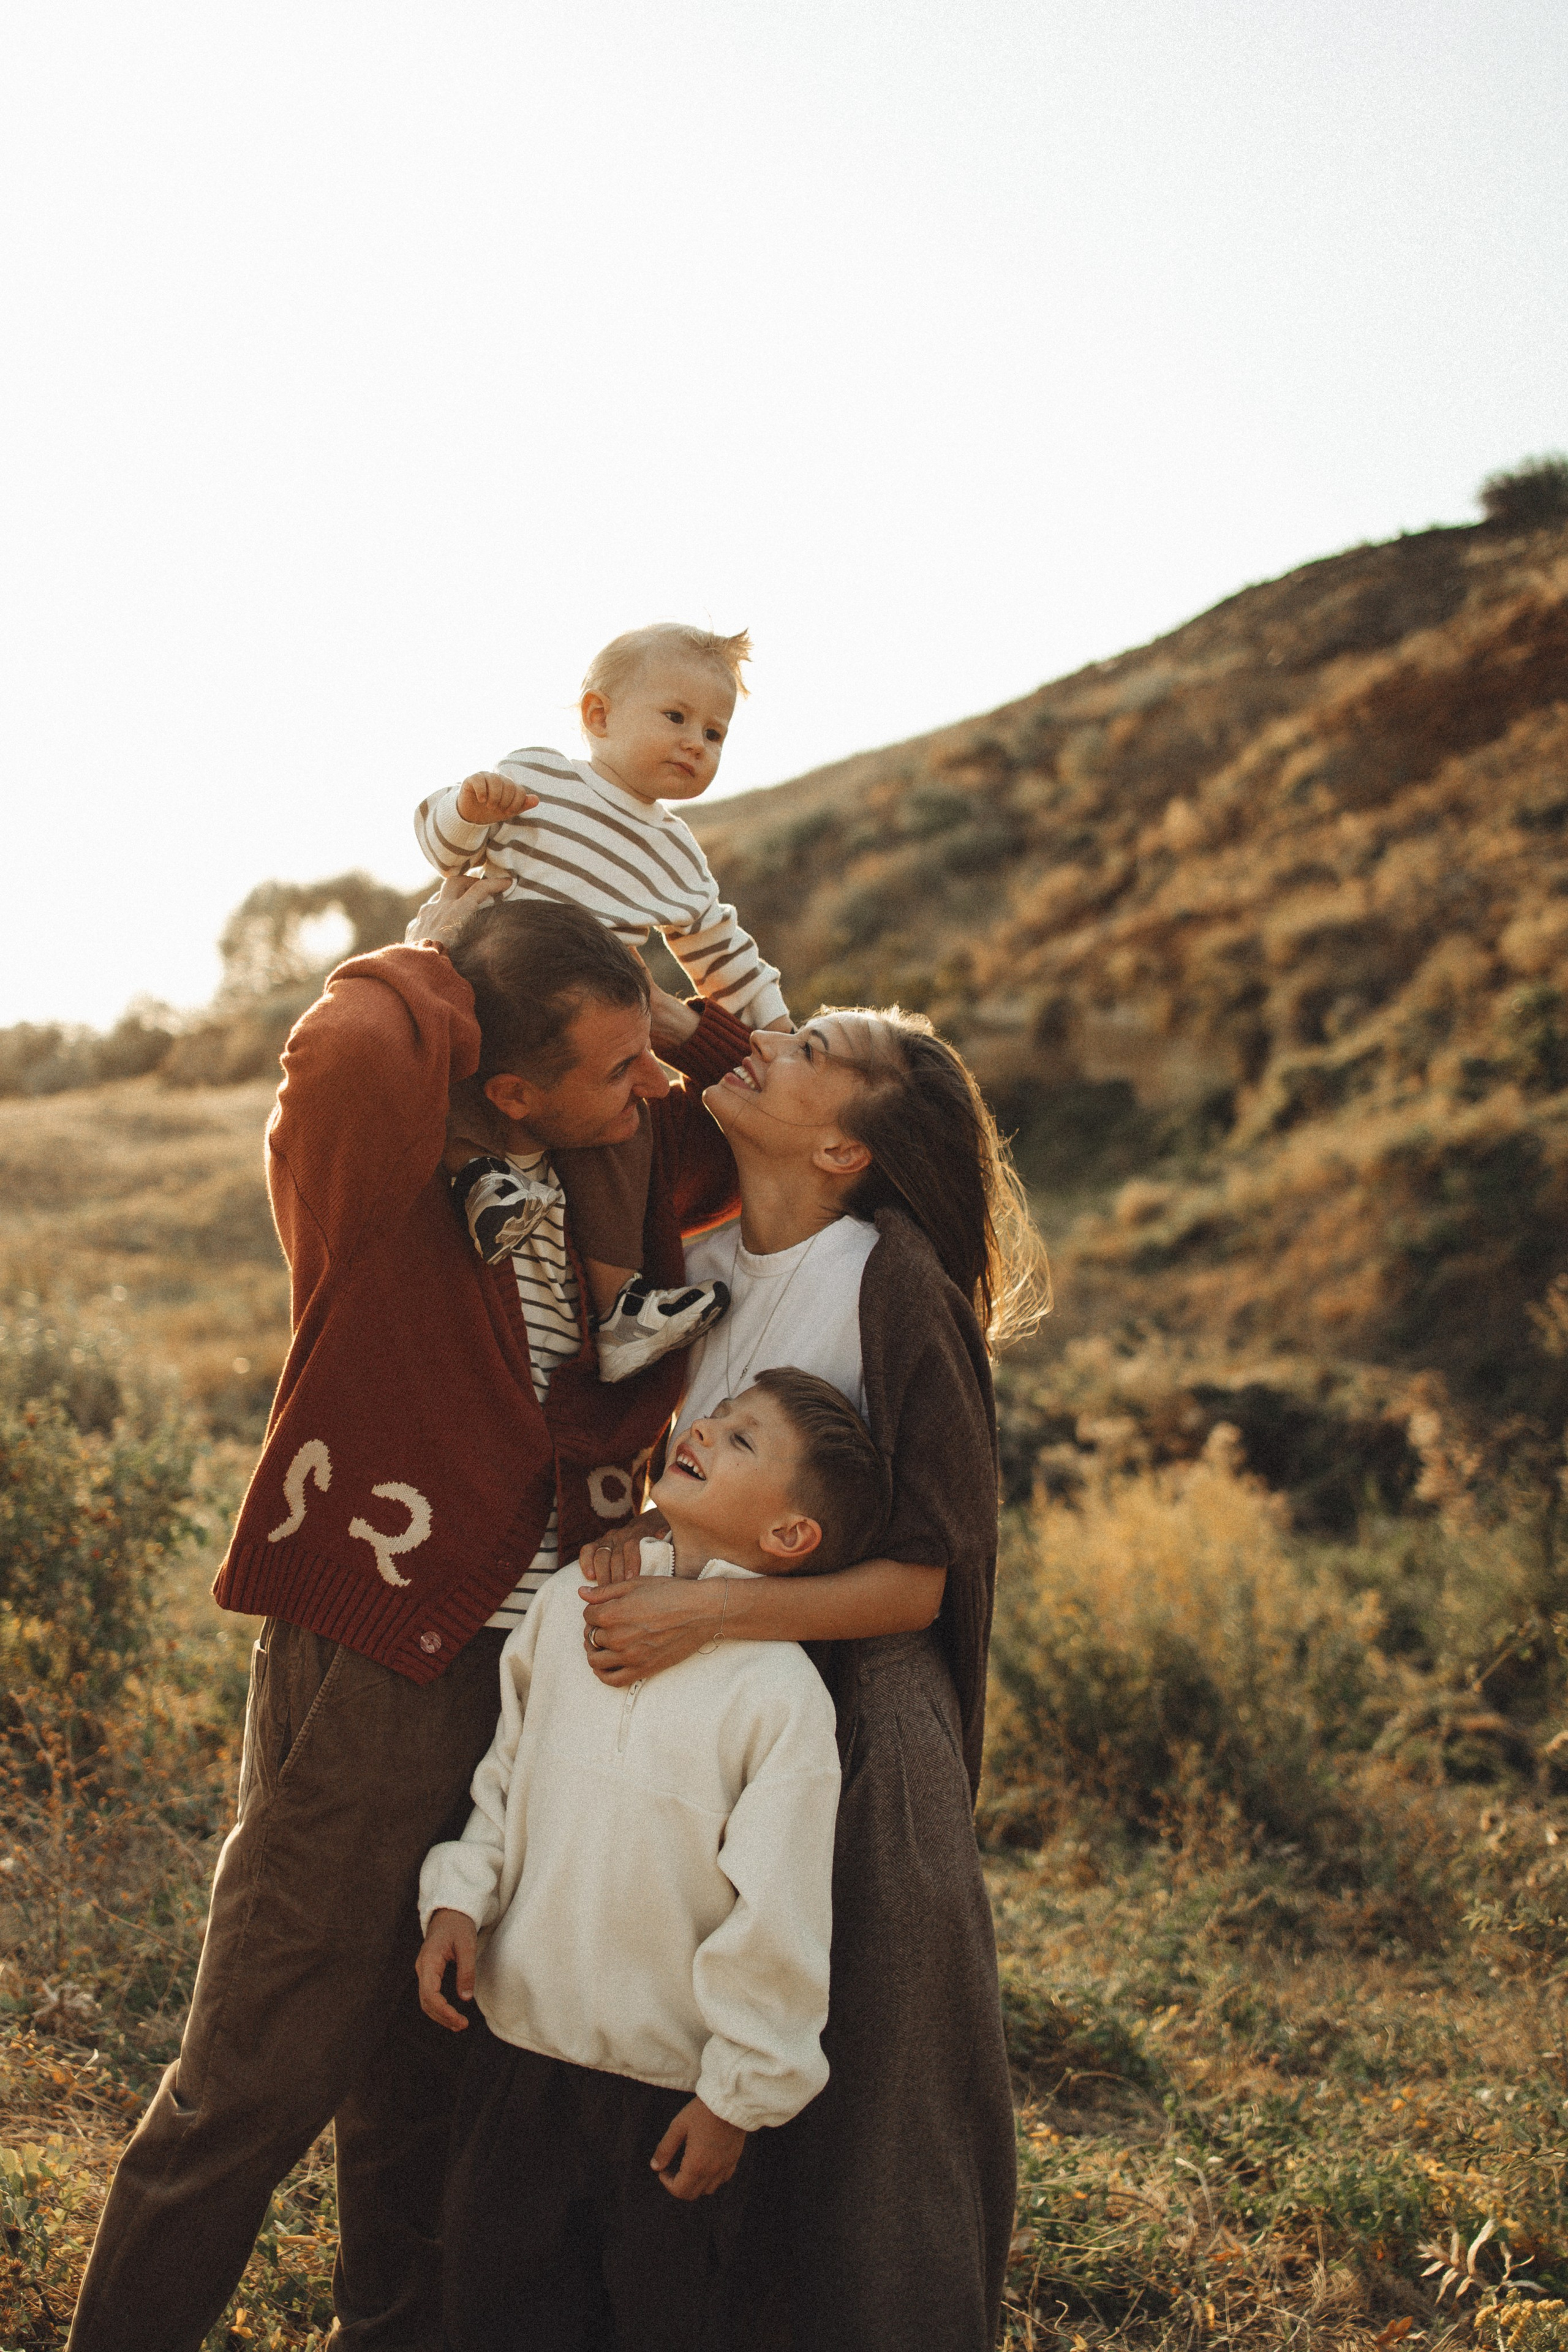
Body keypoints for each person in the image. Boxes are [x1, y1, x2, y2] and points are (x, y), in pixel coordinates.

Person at [67, 875, 752, 2352]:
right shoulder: (380, 1178)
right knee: (261, 2062)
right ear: (502, 1081)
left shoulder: (610, 1161)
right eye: (611, 1066)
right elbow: (354, 1040)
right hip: (381, 1656)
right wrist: (456, 939)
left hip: (534, 1690)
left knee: (431, 2073)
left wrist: (659, 1011)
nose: (645, 1093)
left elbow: (749, 1085)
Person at [579, 1008, 1051, 2352]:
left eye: (807, 1046)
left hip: (866, 1727)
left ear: (845, 1146)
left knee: (872, 2110)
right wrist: (650, 1552)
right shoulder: (704, 1264)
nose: (763, 1041)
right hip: (714, 1713)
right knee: (713, 2064)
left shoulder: (890, 1274)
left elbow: (922, 1582)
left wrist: (699, 1618)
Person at [415, 1369, 889, 2352]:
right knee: (494, 2315)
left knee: (659, 2322)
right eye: (715, 1417)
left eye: (745, 1441)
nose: (707, 1432)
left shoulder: (779, 1696)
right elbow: (505, 1775)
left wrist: (735, 2099)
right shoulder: (567, 1604)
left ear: (790, 1538)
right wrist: (458, 1901)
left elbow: (782, 1915)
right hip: (519, 2059)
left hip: (670, 2097)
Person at [413, 620, 794, 1382]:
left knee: (623, 1123)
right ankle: (480, 1176)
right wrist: (468, 808)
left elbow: (719, 947)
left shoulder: (678, 852)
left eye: (715, 733)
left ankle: (621, 1304)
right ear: (598, 716)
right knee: (458, 1070)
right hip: (490, 979)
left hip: (587, 1027)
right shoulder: (539, 779)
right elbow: (441, 845)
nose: (696, 743)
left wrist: (774, 1026)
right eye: (676, 717)